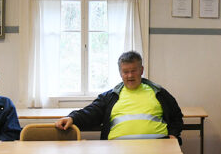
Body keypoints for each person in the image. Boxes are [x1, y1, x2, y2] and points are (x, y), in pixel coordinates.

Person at [55, 51, 183, 141]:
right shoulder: (110, 96)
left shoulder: (158, 92)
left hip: (158, 147)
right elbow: (91, 112)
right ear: (120, 73)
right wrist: (72, 118)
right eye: (125, 72)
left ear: (141, 70)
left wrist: (173, 135)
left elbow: (176, 116)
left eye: (133, 70)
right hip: (117, 150)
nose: (130, 75)